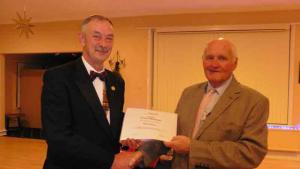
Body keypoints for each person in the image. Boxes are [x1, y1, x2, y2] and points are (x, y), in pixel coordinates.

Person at [130, 38, 269, 169]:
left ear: (235, 63)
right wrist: (143, 152)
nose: (214, 64)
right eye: (209, 58)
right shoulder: (189, 93)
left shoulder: (254, 101)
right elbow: (170, 135)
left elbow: (251, 153)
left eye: (222, 58)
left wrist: (193, 148)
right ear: (202, 61)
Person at [41, 15, 131, 169]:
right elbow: (58, 136)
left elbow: (108, 121)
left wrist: (128, 135)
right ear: (82, 39)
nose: (103, 44)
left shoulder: (117, 81)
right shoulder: (57, 77)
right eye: (97, 37)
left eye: (109, 38)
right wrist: (111, 161)